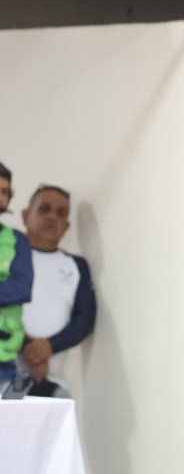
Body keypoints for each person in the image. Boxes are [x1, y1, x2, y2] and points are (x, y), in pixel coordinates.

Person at [18, 184, 97, 397]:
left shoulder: (76, 267)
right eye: (44, 209)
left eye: (61, 213)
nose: (52, 217)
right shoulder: (6, 258)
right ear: (25, 215)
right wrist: (29, 350)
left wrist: (50, 346)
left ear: (66, 227)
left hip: (51, 382)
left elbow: (84, 318)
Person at [0, 162, 34, 387]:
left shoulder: (17, 241)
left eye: (5, 192)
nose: (1, 197)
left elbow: (22, 288)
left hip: (3, 358)